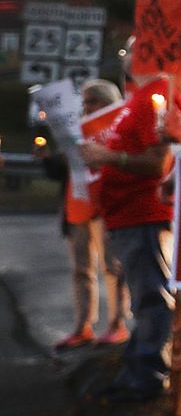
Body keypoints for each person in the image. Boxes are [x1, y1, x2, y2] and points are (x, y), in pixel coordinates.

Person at [80, 29, 181, 402]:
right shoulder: (138, 98)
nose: (131, 54)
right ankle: (137, 366)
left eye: (141, 48)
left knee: (151, 297)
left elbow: (156, 163)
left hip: (143, 215)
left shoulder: (160, 98)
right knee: (142, 296)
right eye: (131, 48)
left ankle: (148, 376)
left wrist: (108, 158)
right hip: (125, 216)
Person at [50, 79, 128, 351]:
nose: (87, 107)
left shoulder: (119, 127)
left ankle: (117, 324)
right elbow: (63, 173)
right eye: (84, 102)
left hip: (106, 207)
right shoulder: (76, 132)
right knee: (81, 269)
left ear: (109, 103)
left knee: (112, 266)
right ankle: (83, 325)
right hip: (77, 207)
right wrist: (51, 158)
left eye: (93, 101)